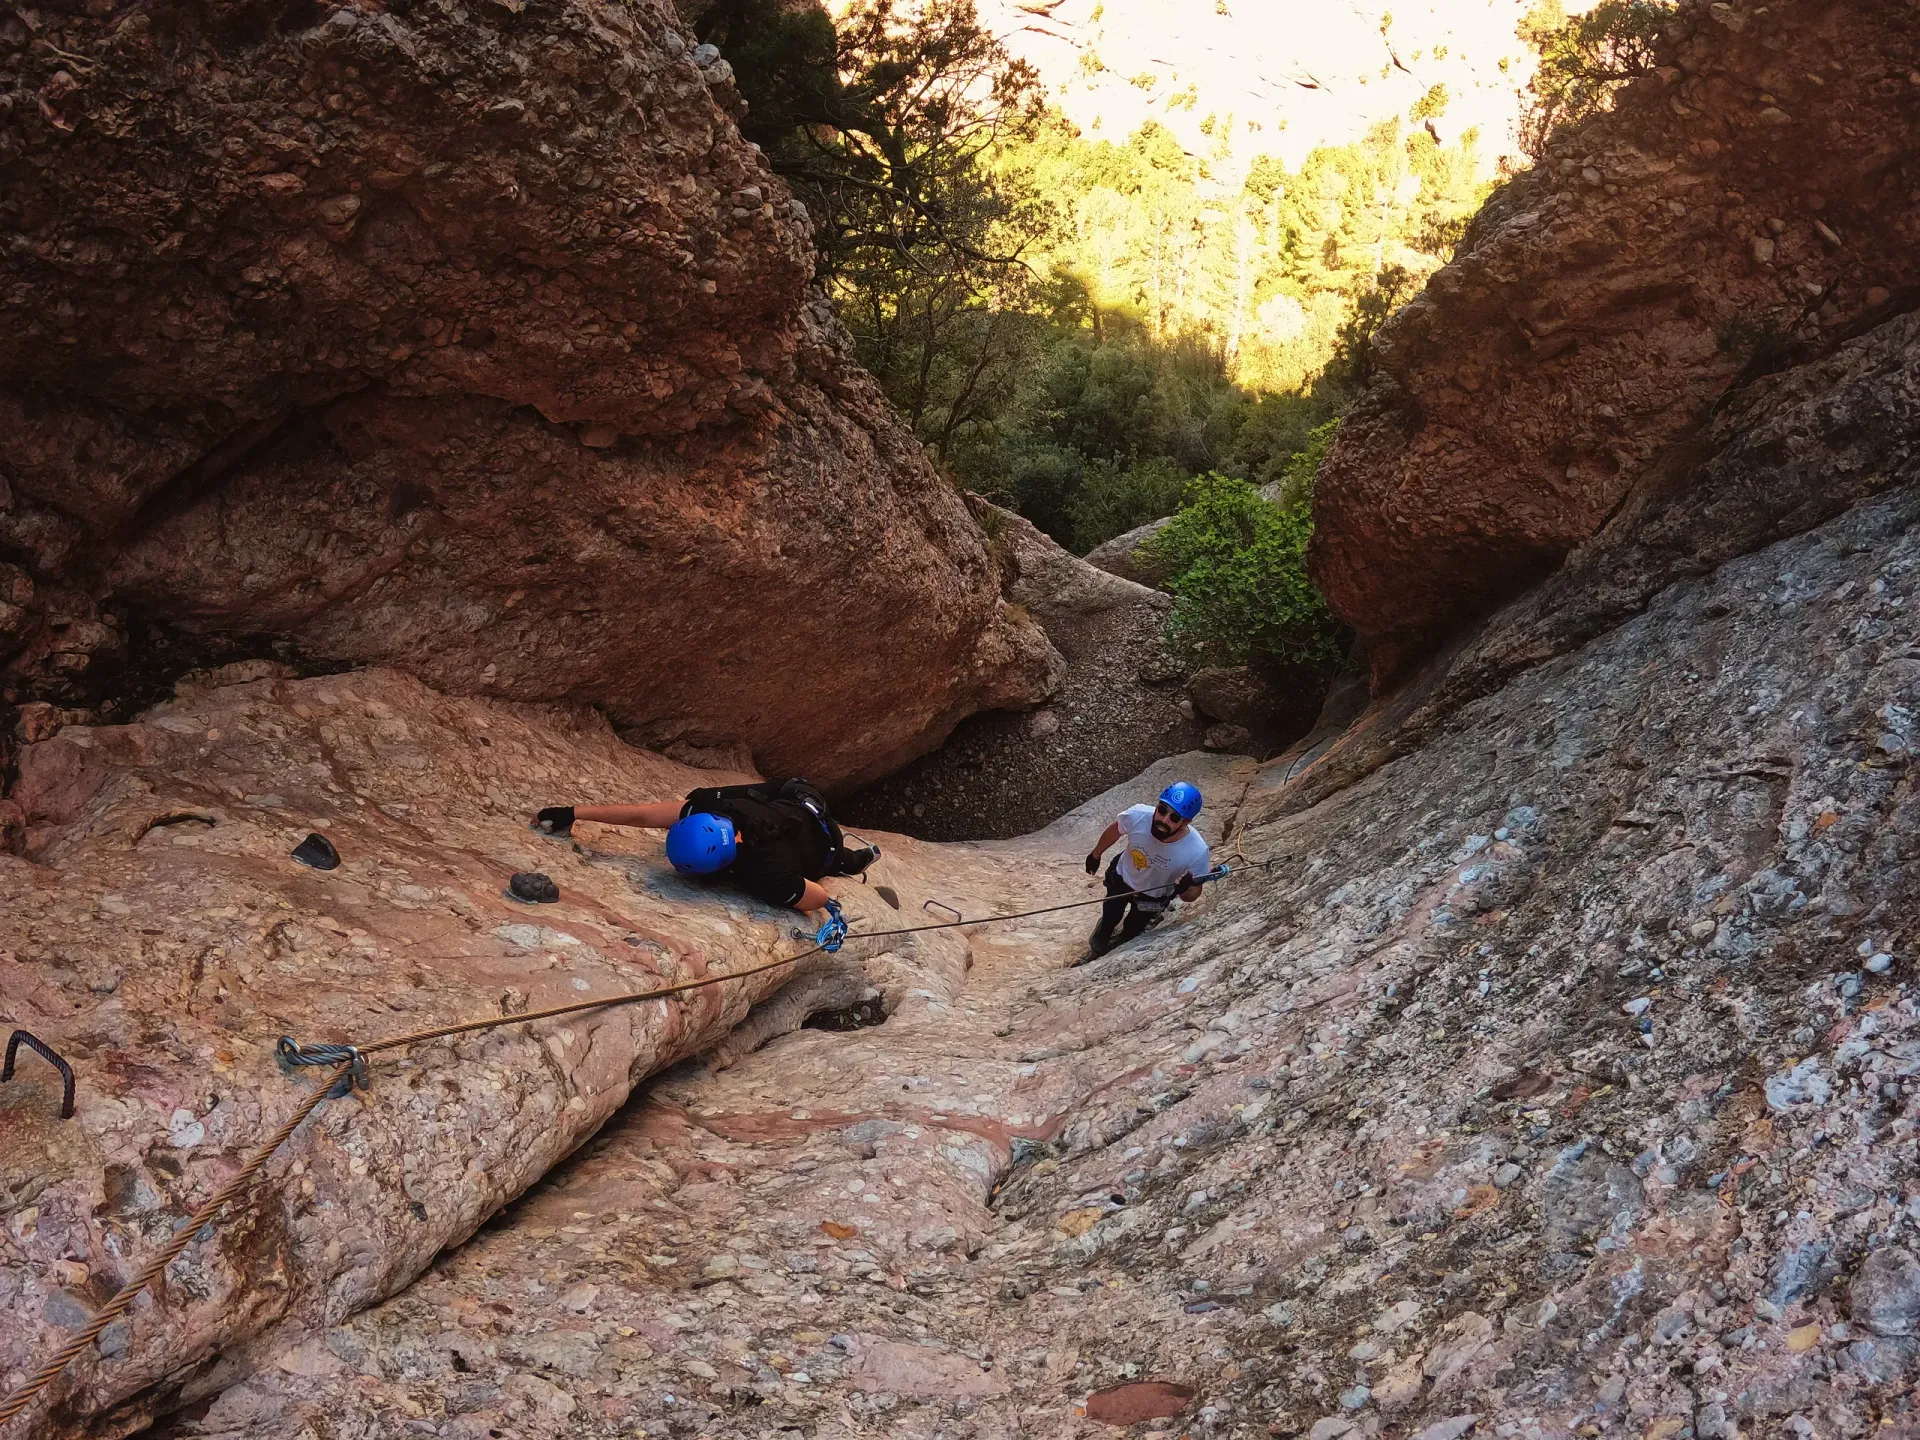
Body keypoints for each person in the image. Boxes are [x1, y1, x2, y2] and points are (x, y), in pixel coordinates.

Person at [532, 778, 877, 914]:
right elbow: (643, 816)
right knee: (711, 795)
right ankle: (854, 859)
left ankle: (850, 861)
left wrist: (571, 814)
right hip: (802, 798)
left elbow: (817, 899)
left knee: (830, 860)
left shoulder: (764, 874)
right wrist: (574, 813)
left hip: (829, 845)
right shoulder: (718, 809)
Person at [1081, 781, 1210, 959]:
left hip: (1153, 894)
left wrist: (1185, 889)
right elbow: (1116, 830)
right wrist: (1095, 854)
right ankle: (1104, 930)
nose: (1163, 820)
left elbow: (1193, 894)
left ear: (1186, 822)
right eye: (1162, 810)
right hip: (1122, 877)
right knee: (1111, 912)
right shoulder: (1138, 815)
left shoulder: (1196, 851)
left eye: (1174, 818)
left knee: (1135, 924)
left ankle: (1125, 939)